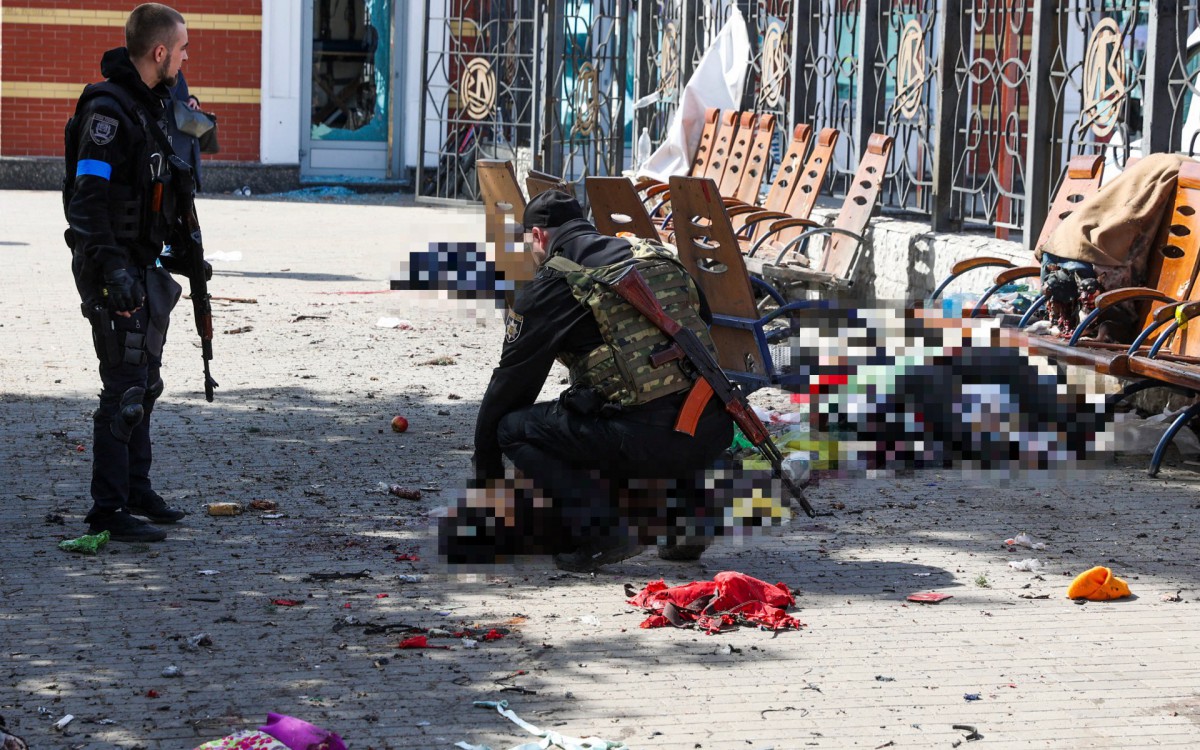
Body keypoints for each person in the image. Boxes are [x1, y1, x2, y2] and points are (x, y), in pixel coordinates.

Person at [466, 190, 734, 571]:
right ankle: (687, 519)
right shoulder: (653, 256)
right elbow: (701, 321)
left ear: (538, 236)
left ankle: (603, 529)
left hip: (649, 439)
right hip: (712, 426)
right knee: (661, 398)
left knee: (515, 429)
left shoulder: (554, 285)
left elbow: (511, 384)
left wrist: (486, 472)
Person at [65, 3, 201, 542]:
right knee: (123, 387)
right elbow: (87, 198)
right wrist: (112, 268)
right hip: (110, 267)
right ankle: (108, 510)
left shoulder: (150, 107)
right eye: (183, 49)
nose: (188, 57)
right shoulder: (108, 111)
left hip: (141, 264)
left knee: (145, 384)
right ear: (160, 52)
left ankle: (138, 489)